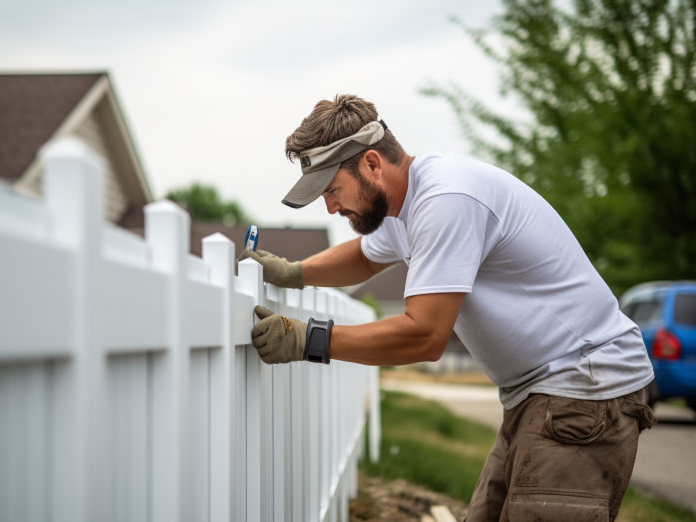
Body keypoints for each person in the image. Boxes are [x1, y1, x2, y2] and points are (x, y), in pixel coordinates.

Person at [238, 94, 656, 521]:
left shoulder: (446, 200)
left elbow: (425, 335)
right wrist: (293, 272)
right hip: (539, 393)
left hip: (584, 390)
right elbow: (364, 256)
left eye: (331, 190)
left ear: (371, 165)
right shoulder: (405, 208)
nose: (330, 207)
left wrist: (309, 339)